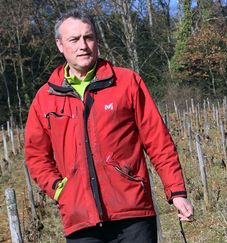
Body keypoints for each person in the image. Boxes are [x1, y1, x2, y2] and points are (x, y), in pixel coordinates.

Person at [25, 9, 193, 242]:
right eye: (74, 39)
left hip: (133, 212)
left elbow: (158, 140)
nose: (83, 45)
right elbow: (36, 156)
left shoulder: (127, 83)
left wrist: (176, 192)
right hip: (80, 220)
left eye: (89, 37)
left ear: (97, 40)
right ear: (60, 45)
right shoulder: (45, 98)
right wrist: (59, 189)